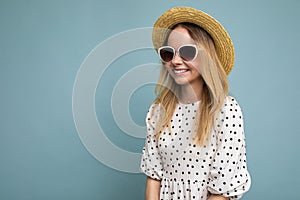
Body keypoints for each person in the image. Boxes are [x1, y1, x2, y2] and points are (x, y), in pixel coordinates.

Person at [140, 6, 251, 200]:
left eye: (187, 52)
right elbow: (153, 178)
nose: (175, 61)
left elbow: (222, 191)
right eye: (168, 53)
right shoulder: (158, 111)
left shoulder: (226, 110)